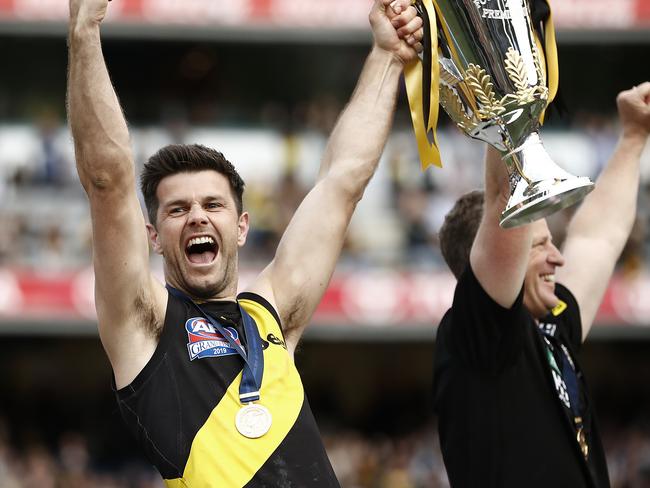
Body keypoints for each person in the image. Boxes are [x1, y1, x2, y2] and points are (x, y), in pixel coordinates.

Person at [66, 0, 424, 486]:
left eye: (213, 205)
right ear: (153, 237)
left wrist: (386, 55)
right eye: (177, 210)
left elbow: (344, 182)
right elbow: (107, 179)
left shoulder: (270, 314)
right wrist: (84, 32)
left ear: (241, 227)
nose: (196, 216)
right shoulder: (146, 324)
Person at [433, 82, 650, 487]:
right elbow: (504, 200)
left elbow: (596, 240)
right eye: (539, 246)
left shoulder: (550, 329)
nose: (558, 258)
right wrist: (502, 83)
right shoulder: (482, 338)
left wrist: (634, 137)